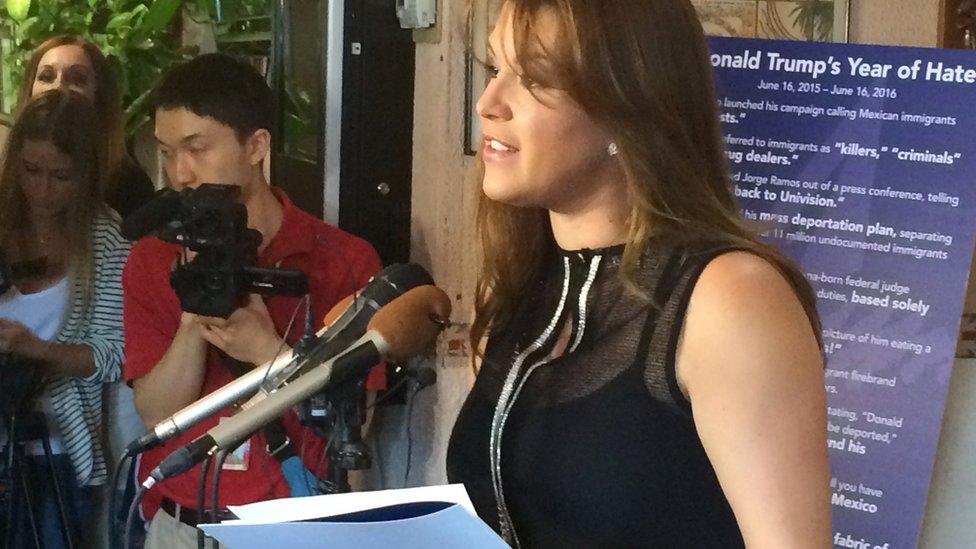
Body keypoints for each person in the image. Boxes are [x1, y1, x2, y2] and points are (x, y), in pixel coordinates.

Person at [446, 1, 830, 547]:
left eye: (535, 78)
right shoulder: (516, 290)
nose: (488, 104)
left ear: (626, 108)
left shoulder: (729, 296)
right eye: (493, 69)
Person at [122, 53, 382, 548]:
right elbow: (155, 412)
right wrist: (192, 321)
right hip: (182, 524)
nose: (180, 173)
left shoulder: (341, 258)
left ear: (257, 146)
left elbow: (357, 417)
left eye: (196, 148)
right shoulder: (152, 259)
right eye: (166, 152)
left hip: (293, 521)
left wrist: (269, 353)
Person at [0, 90, 129, 548]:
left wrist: (34, 348)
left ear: (87, 175)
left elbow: (116, 356)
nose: (42, 190)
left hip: (60, 450)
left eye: (61, 177)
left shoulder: (105, 236)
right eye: (30, 171)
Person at [18, 35, 156, 218]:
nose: (58, 87)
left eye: (77, 79)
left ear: (99, 94)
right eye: (46, 76)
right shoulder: (8, 174)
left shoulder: (128, 185)